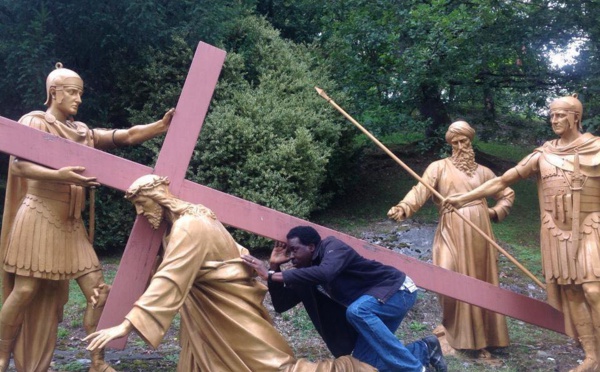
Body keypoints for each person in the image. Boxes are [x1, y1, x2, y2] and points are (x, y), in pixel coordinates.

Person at [84, 175, 375, 372]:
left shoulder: (190, 226)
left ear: (158, 198)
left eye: (141, 203)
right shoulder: (186, 224)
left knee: (274, 368)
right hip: (207, 318)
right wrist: (115, 295)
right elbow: (170, 273)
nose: (140, 211)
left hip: (229, 313)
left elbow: (170, 279)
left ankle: (356, 368)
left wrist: (127, 324)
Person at [0, 63, 174, 372]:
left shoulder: (82, 132)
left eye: (80, 93)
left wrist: (160, 126)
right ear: (54, 92)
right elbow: (18, 167)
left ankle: (96, 362)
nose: (79, 99)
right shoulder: (35, 122)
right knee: (25, 290)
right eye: (72, 92)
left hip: (70, 225)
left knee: (98, 292)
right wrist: (60, 175)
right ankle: (1, 355)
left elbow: (125, 136)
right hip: (39, 215)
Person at [444, 94, 600, 372]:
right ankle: (591, 357)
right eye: (552, 115)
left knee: (593, 289)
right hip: (556, 232)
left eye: (561, 115)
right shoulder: (543, 154)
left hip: (590, 226)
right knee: (574, 293)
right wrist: (464, 198)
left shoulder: (596, 148)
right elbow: (504, 180)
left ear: (576, 117)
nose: (554, 120)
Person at [242, 225, 448, 372]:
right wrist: (274, 266)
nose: (292, 256)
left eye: (295, 249)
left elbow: (326, 273)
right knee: (364, 364)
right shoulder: (305, 274)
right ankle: (424, 349)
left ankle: (414, 369)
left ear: (312, 247)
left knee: (358, 311)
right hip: (375, 305)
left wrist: (269, 275)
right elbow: (281, 304)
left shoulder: (333, 247)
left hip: (398, 291)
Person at [387, 121, 515, 357]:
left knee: (480, 280)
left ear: (470, 141)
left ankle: (482, 339)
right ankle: (454, 330)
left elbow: (506, 192)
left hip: (480, 233)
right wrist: (404, 207)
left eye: (463, 141)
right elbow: (421, 189)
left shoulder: (484, 173)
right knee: (446, 276)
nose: (459, 145)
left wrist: (495, 211)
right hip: (451, 230)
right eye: (454, 142)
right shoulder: (439, 167)